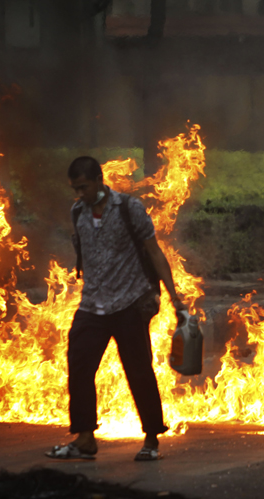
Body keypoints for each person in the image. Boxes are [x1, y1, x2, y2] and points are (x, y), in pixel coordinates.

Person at [46, 156, 185, 461]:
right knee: (79, 365)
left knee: (138, 370)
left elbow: (154, 252)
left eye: (83, 186)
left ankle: (150, 439)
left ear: (99, 180)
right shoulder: (77, 212)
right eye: (75, 189)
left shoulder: (128, 208)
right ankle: (85, 439)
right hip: (92, 304)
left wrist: (176, 299)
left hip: (129, 302)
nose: (79, 193)